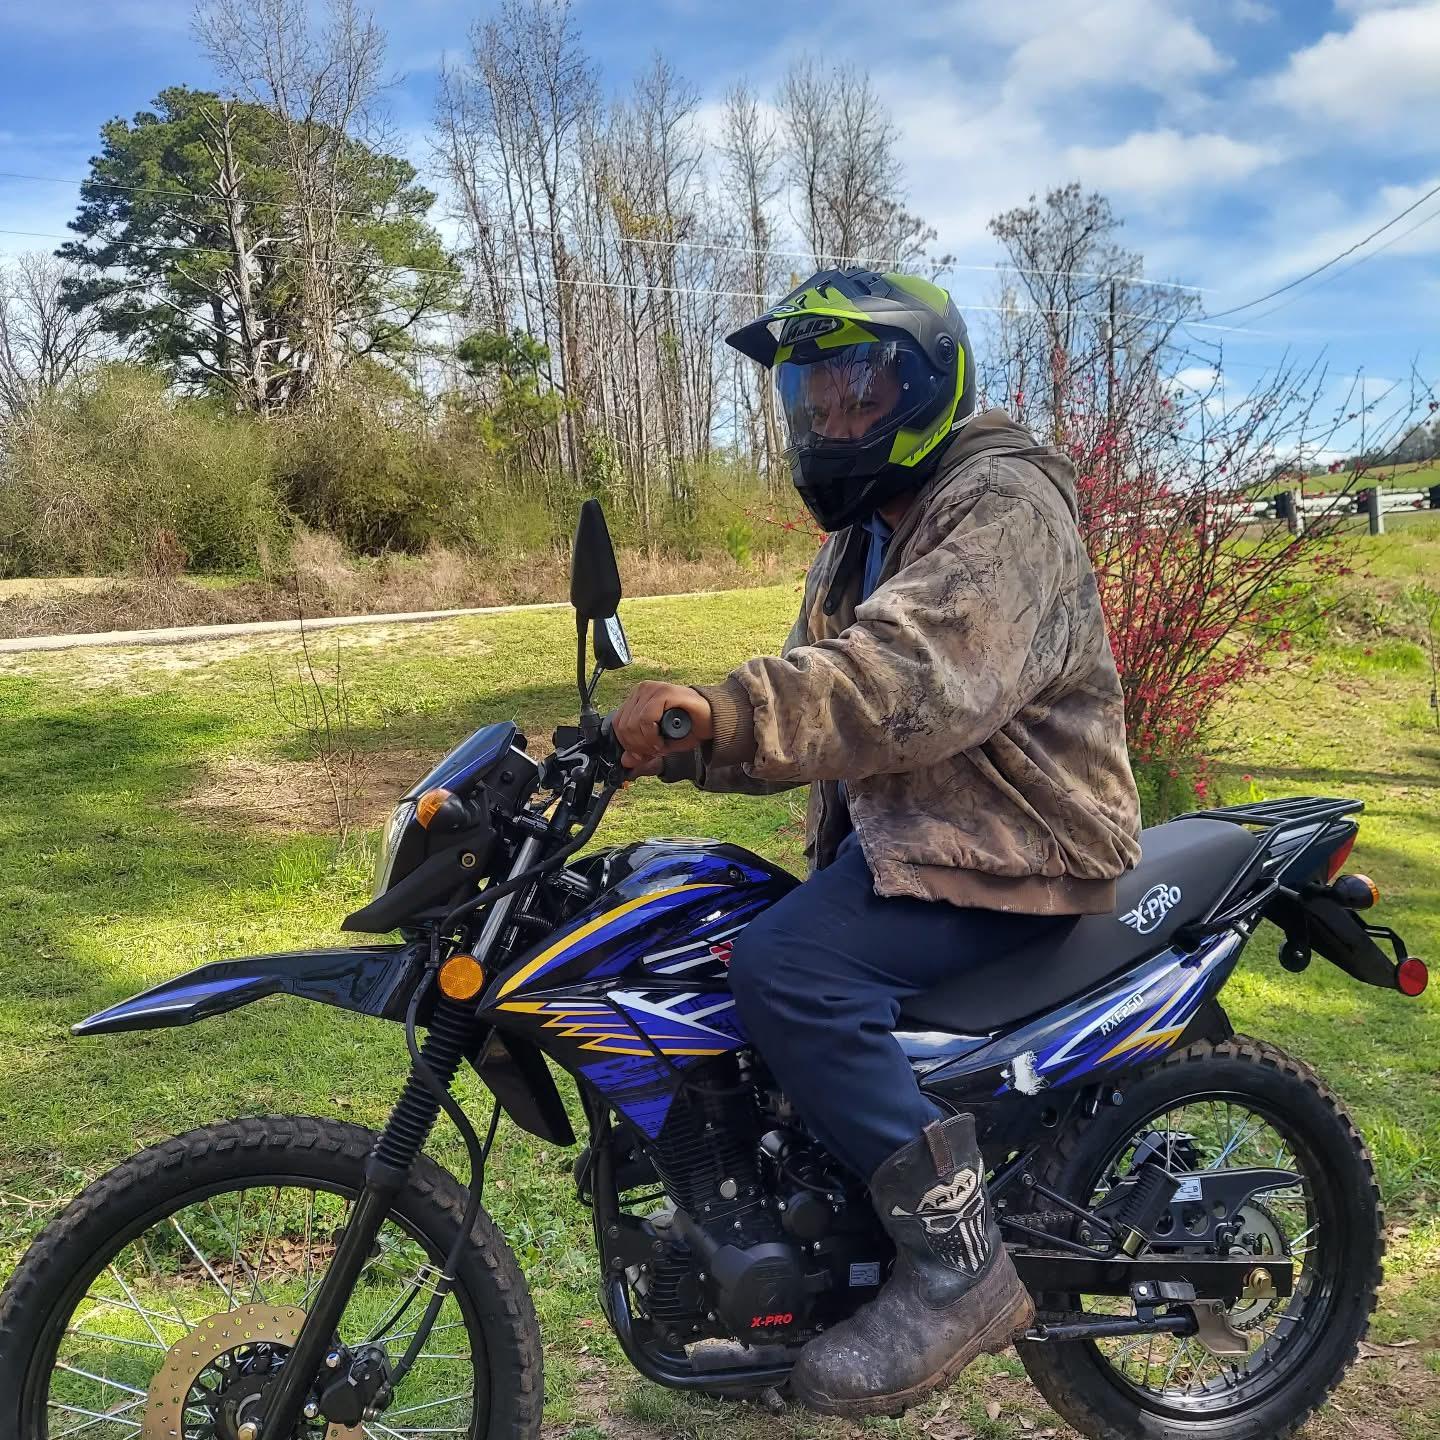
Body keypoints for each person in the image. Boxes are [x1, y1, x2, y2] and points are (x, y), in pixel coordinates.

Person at [611, 268, 1142, 1417]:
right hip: (930, 840)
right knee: (711, 929)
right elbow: (827, 700)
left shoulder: (1002, 505)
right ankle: (800, 1287)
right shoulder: (868, 532)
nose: (829, 419)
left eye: (858, 392)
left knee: (788, 968)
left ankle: (960, 1268)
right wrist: (682, 742)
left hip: (1020, 843)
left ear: (928, 385)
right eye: (812, 398)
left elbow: (902, 680)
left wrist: (728, 710)